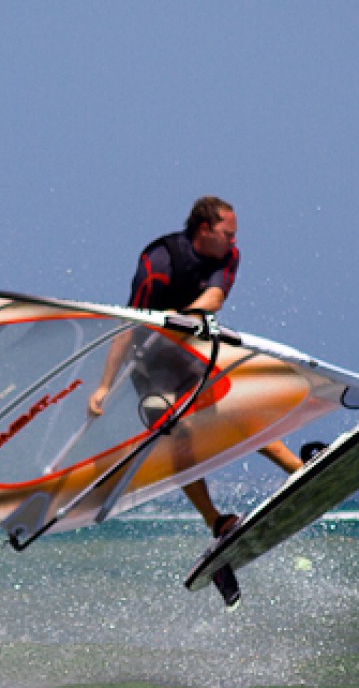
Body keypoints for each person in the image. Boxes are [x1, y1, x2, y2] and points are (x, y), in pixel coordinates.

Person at [87, 196, 303, 540]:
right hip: (147, 361)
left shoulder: (227, 255)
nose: (235, 241)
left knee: (236, 409)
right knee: (179, 433)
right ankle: (215, 520)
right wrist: (103, 386)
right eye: (228, 234)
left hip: (189, 349)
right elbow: (128, 326)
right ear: (205, 229)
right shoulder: (158, 262)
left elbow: (214, 298)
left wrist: (184, 321)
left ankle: (298, 471)